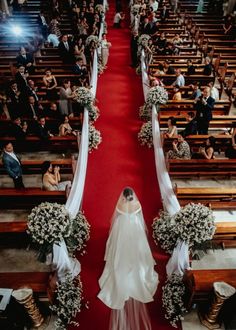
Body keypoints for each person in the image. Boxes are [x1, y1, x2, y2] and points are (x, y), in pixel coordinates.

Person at [98, 187, 158, 329]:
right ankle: (137, 274)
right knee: (137, 252)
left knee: (119, 250)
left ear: (123, 196)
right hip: (135, 230)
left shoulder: (120, 205)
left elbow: (116, 219)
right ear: (133, 196)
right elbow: (140, 219)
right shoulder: (137, 205)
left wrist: (123, 206)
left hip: (122, 230)